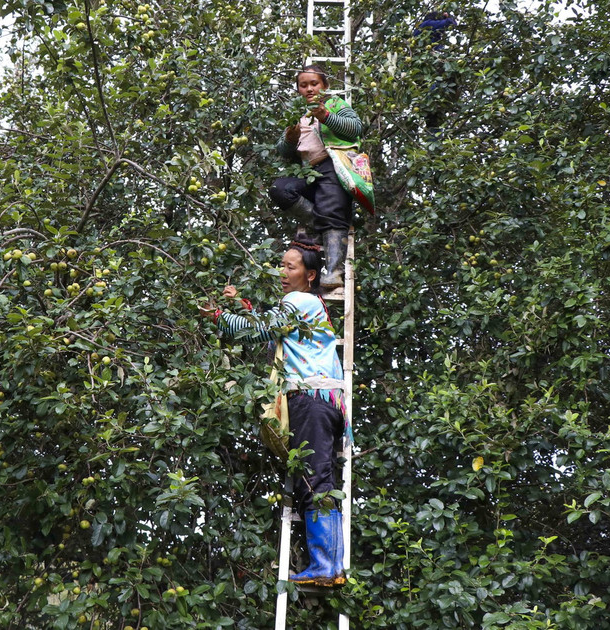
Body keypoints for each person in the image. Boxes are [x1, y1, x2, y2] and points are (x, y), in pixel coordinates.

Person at [200, 237, 347, 587]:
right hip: (322, 401)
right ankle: (329, 565)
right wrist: (243, 306)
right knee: (317, 478)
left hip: (310, 399)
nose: (282, 272)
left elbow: (260, 329)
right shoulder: (306, 305)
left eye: (290, 267)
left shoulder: (299, 300)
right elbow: (273, 329)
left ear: (310, 275)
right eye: (281, 265)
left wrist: (219, 317)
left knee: (314, 481)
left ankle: (326, 567)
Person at [269, 65, 363, 291]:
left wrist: (326, 116)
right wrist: (290, 139)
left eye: (314, 84)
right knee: (279, 189)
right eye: (304, 85)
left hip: (333, 166)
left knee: (332, 211)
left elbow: (355, 128)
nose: (309, 89)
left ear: (325, 86)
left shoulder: (335, 105)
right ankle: (324, 224)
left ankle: (334, 272)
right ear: (298, 90)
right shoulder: (297, 114)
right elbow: (283, 150)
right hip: (309, 174)